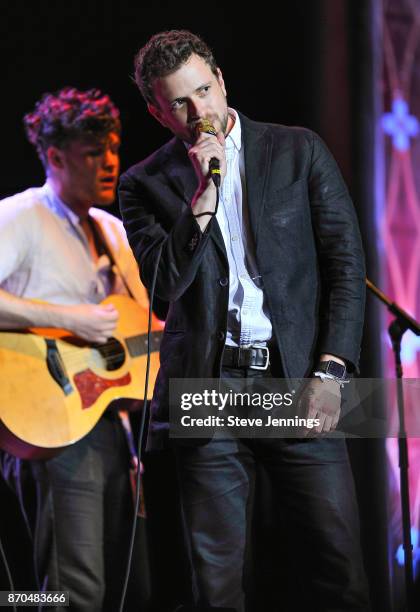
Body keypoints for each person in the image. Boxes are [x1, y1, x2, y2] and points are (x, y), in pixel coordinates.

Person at [119, 30, 370, 611]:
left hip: (296, 378)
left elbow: (345, 263)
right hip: (209, 389)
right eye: (179, 102)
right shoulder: (144, 185)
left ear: (222, 79)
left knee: (337, 569)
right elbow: (163, 290)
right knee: (216, 585)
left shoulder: (296, 149)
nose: (198, 111)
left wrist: (332, 371)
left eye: (204, 90)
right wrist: (202, 200)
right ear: (158, 112)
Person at [0, 87, 150, 611]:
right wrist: (68, 319)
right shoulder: (20, 217)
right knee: (73, 590)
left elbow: (146, 328)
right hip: (53, 424)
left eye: (113, 148)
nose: (110, 162)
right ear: (56, 157)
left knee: (125, 589)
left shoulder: (112, 230)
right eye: (93, 153)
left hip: (112, 425)